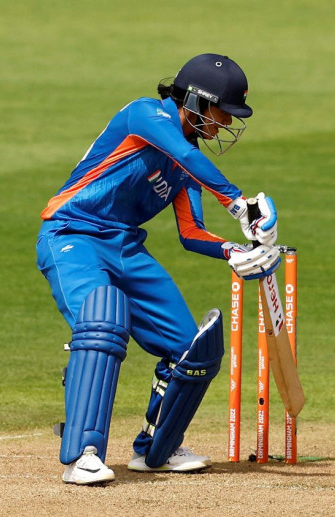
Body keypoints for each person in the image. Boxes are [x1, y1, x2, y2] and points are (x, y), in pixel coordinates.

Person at [36, 53, 281, 485]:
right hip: (72, 235)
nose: (225, 123)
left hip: (126, 246)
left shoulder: (185, 166)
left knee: (191, 348)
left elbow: (191, 232)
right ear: (195, 101)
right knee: (102, 317)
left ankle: (156, 450)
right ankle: (83, 454)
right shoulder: (143, 115)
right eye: (222, 112)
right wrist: (239, 202)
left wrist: (233, 251)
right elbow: (183, 152)